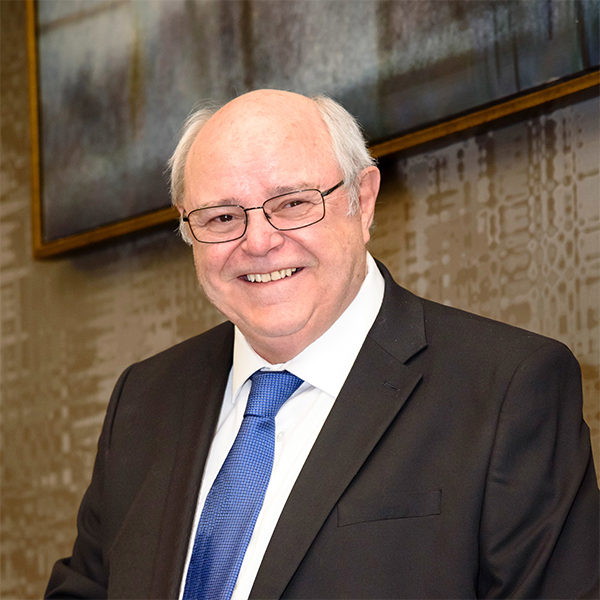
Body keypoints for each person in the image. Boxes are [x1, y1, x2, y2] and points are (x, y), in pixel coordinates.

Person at [45, 90, 600, 600]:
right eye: (221, 217)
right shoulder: (144, 398)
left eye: (292, 203)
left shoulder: (509, 388)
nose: (258, 241)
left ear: (364, 201)